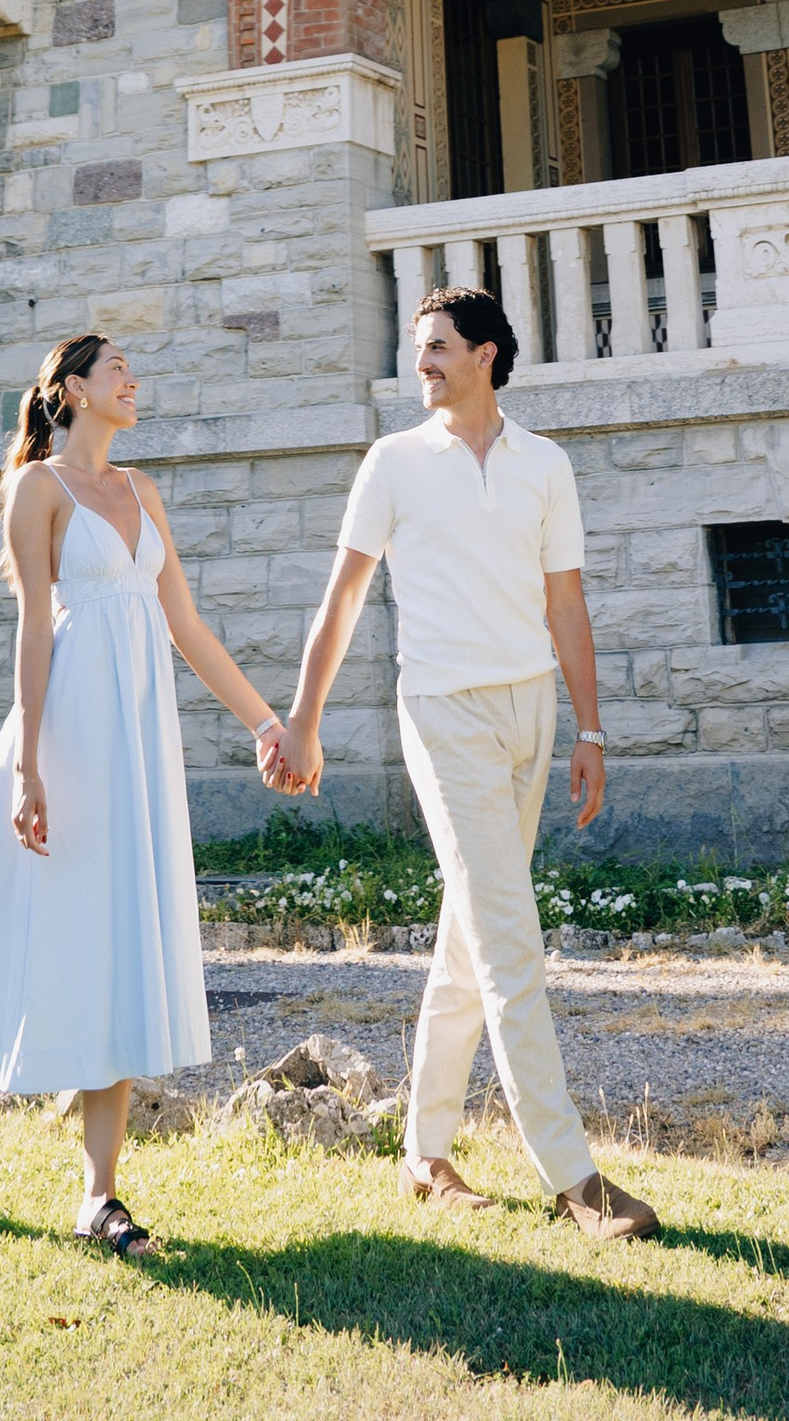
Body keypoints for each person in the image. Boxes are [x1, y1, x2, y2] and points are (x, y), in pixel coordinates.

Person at [0, 328, 291, 1256]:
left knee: (117, 938)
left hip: (134, 748)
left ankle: (100, 1195)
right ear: (71, 390)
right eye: (118, 371)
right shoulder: (39, 489)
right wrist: (28, 761)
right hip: (59, 732)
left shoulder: (142, 490)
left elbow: (184, 623)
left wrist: (264, 723)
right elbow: (36, 625)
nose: (133, 382)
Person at [279, 284, 660, 1242]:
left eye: (440, 347)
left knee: (471, 936)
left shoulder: (545, 465)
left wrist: (591, 729)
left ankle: (425, 1154)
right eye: (421, 348)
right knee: (508, 934)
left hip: (531, 709)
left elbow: (566, 602)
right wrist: (303, 721)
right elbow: (343, 600)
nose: (424, 364)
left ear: (487, 354)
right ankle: (573, 1176)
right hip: (441, 710)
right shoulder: (393, 462)